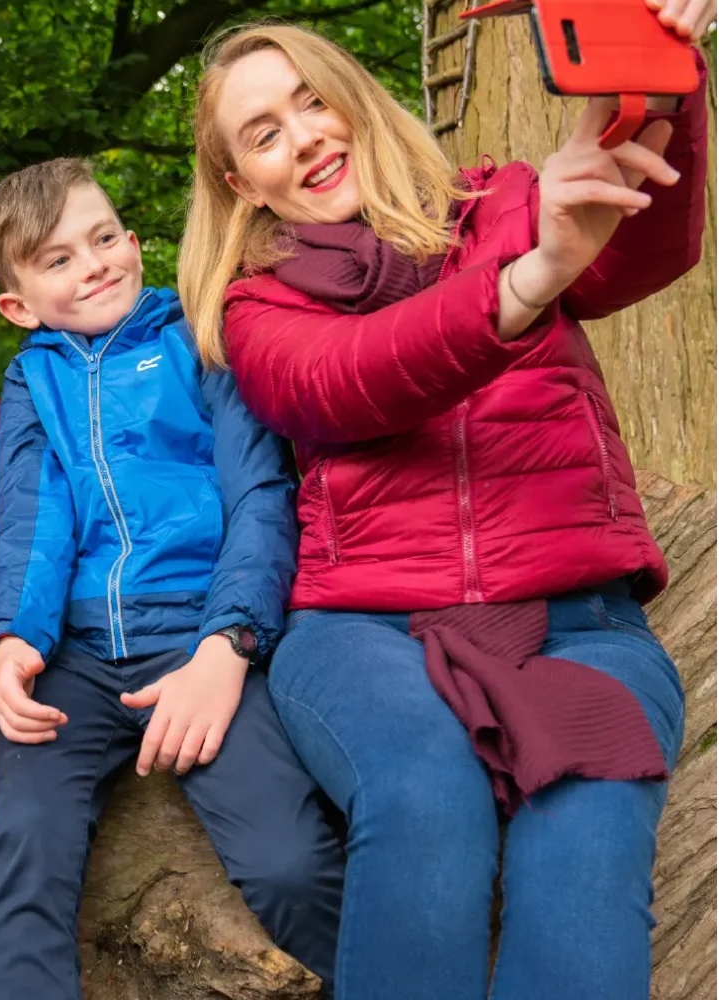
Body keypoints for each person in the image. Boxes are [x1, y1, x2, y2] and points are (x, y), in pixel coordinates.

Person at [178, 13, 711, 999]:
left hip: (577, 619)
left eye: (310, 99)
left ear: (356, 98)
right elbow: (343, 382)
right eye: (262, 134)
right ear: (238, 182)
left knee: (587, 850)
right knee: (426, 798)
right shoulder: (254, 306)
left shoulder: (503, 203)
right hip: (362, 631)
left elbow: (640, 245)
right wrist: (523, 284)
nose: (302, 136)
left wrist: (663, 77)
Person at [0, 157, 344, 999]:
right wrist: (16, 640)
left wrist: (230, 641)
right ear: (17, 304)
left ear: (136, 244)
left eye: (103, 237)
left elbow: (258, 494)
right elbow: (33, 515)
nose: (94, 262)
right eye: (58, 257)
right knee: (21, 847)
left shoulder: (200, 336)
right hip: (79, 653)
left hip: (199, 635)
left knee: (287, 861)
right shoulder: (36, 377)